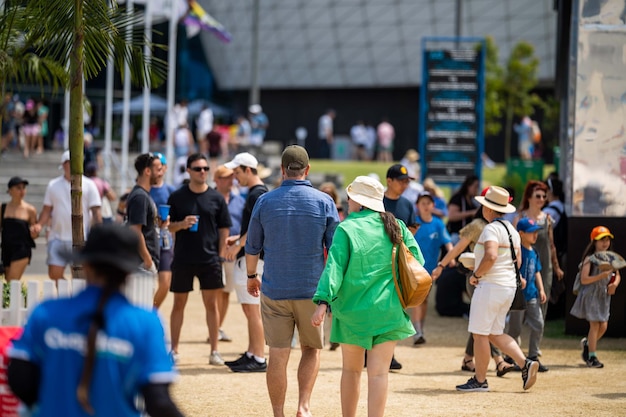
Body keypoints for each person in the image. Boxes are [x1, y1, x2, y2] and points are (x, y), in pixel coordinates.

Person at [7, 224, 184, 417]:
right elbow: (158, 401)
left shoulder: (47, 312)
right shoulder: (146, 323)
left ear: (86, 264)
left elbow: (19, 379)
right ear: (129, 272)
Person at [311, 175, 421, 417]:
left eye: (350, 196)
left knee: (351, 371)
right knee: (380, 374)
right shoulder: (397, 225)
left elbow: (334, 268)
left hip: (353, 312)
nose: (348, 200)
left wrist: (322, 302)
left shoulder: (347, 227)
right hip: (389, 310)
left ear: (358, 202)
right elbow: (417, 263)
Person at [245, 145, 340, 417]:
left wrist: (252, 276)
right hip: (312, 289)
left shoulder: (265, 201)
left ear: (282, 170)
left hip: (275, 288)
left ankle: (278, 413)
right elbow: (334, 250)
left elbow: (252, 247)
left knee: (277, 352)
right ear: (308, 170)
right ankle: (303, 406)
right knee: (311, 349)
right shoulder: (325, 202)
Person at [456, 186, 539, 392]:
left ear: (489, 209)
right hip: (508, 287)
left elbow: (491, 256)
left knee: (480, 335)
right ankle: (525, 363)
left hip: (491, 286)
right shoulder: (512, 229)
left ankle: (480, 380)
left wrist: (476, 274)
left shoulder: (491, 229)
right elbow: (516, 261)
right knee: (494, 333)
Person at [432, 194, 514, 377]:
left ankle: (469, 358)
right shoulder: (479, 225)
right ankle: (499, 360)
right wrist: (441, 265)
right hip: (476, 278)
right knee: (485, 322)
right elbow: (458, 248)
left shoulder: (499, 227)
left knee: (481, 322)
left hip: (492, 280)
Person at [167, 153, 231, 365]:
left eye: (205, 168)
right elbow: (168, 226)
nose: (202, 172)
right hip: (183, 257)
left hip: (210, 259)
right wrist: (182, 224)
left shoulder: (216, 198)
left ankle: (214, 351)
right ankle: (174, 350)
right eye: (198, 169)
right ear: (188, 171)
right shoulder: (177, 197)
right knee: (178, 304)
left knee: (211, 306)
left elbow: (224, 229)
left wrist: (221, 255)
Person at [223, 153, 269, 372]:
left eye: (238, 172)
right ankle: (253, 352)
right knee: (250, 310)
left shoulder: (256, 194)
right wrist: (238, 239)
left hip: (253, 258)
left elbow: (255, 228)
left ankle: (258, 357)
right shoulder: (256, 193)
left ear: (248, 170)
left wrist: (237, 245)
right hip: (253, 255)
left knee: (253, 311)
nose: (235, 177)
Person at [36, 150, 102, 280]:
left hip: (81, 238)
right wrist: (39, 225)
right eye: (67, 162)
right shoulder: (53, 185)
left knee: (80, 276)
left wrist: (99, 232)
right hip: (57, 236)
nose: (70, 165)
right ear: (63, 165)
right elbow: (46, 210)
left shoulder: (89, 184)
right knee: (54, 274)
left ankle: (73, 295)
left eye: (72, 162)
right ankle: (66, 292)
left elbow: (96, 211)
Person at [570, 226, 621, 368]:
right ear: (594, 242)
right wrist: (601, 276)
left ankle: (587, 344)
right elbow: (584, 279)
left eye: (607, 240)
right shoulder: (590, 259)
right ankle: (592, 357)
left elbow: (617, 275)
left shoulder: (611, 258)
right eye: (601, 240)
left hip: (604, 296)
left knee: (603, 326)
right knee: (594, 325)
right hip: (591, 295)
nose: (605, 243)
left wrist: (614, 284)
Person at [514, 180, 564, 319]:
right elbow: (512, 245)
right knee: (520, 304)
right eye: (538, 196)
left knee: (542, 302)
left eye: (544, 196)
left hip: (544, 266)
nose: (542, 199)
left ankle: (536, 335)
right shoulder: (519, 218)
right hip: (523, 266)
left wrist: (556, 267)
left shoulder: (547, 219)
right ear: (529, 197)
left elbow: (551, 244)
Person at [383, 163, 417, 369]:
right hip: (380, 261)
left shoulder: (407, 204)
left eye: (407, 181)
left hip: (399, 263)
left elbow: (413, 227)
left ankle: (389, 353)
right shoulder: (378, 202)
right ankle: (371, 351)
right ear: (389, 181)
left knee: (395, 308)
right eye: (402, 181)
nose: (405, 184)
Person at [507, 218, 548, 372]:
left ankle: (533, 356)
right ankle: (512, 357)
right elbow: (511, 268)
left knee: (538, 324)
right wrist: (519, 278)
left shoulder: (534, 251)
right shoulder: (517, 251)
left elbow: (537, 271)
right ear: (521, 234)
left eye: (537, 232)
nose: (535, 235)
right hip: (518, 296)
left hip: (532, 295)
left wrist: (541, 289)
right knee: (515, 329)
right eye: (532, 232)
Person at [412, 191, 453, 345]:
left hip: (430, 269)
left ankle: (420, 329)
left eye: (428, 203)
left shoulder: (438, 223)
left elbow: (447, 242)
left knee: (424, 300)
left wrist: (452, 256)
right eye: (422, 203)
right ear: (417, 206)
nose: (426, 206)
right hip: (415, 268)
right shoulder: (414, 223)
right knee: (418, 299)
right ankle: (417, 332)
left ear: (433, 205)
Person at [213, 165, 245, 343]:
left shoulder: (239, 201)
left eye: (231, 177)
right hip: (213, 251)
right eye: (225, 177)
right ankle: (214, 326)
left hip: (232, 253)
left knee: (226, 292)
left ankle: (218, 327)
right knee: (215, 290)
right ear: (217, 179)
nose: (230, 180)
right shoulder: (209, 198)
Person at [126, 153, 163, 285]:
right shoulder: (140, 197)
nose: (161, 173)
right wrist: (148, 261)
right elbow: (135, 231)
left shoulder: (143, 195)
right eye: (158, 169)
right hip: (141, 265)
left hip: (142, 263)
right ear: (147, 171)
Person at [149, 153, 177, 309]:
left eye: (160, 167)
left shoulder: (171, 191)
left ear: (165, 168)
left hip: (165, 240)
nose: (157, 170)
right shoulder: (143, 189)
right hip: (147, 239)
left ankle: (153, 310)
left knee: (165, 282)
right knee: (146, 281)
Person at [1, 177, 38, 280]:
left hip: (22, 249)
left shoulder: (30, 210)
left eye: (23, 188)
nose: (22, 191)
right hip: (6, 248)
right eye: (18, 188)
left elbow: (35, 230)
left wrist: (35, 233)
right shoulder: (3, 208)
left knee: (12, 281)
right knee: (7, 280)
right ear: (10, 190)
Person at [446, 175, 480, 245]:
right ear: (468, 186)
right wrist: (470, 213)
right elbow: (451, 216)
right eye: (475, 186)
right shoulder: (458, 198)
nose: (476, 189)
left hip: (468, 236)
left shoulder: (473, 201)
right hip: (456, 235)